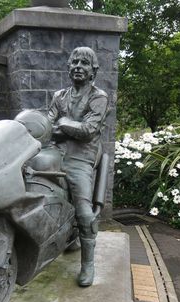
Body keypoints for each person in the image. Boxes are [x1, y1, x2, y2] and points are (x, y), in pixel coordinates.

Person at [48, 47, 108, 287]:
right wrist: (66, 126)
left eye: (85, 63)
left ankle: (88, 264)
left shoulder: (99, 97)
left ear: (93, 70)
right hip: (55, 153)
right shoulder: (59, 96)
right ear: (69, 67)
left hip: (82, 157)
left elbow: (88, 131)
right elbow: (46, 128)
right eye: (75, 62)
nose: (78, 66)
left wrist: (62, 123)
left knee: (84, 211)